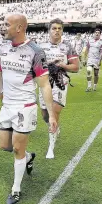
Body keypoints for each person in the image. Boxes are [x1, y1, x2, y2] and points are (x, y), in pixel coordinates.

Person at [0, 13, 57, 204]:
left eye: (6, 24)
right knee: (5, 146)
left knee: (17, 147)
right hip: (7, 105)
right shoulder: (1, 46)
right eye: (1, 24)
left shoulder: (35, 51)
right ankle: (28, 157)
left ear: (19, 28)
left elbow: (44, 85)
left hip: (25, 106)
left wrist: (51, 114)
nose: (2, 27)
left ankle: (16, 190)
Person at [39, 18, 79, 159]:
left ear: (62, 30)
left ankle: (51, 148)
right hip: (45, 82)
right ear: (49, 30)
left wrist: (63, 65)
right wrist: (49, 64)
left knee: (54, 112)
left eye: (59, 28)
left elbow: (76, 67)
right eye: (54, 28)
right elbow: (36, 66)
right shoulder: (41, 47)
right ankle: (56, 127)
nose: (57, 31)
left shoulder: (68, 47)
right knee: (45, 114)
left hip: (60, 82)